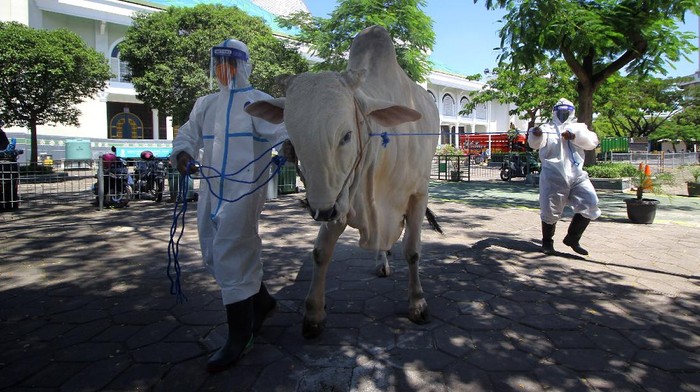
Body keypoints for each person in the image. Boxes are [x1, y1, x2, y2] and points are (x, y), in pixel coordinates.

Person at [171, 39, 289, 373]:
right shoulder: (205, 103)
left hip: (245, 191)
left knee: (231, 250)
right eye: (218, 65)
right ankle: (263, 303)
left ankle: (240, 337)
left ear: (242, 66)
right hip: (209, 188)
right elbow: (189, 134)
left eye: (230, 65)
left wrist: (292, 145)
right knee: (212, 251)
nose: (223, 71)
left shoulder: (257, 101)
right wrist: (182, 153)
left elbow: (281, 130)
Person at [528, 98, 601, 256]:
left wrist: (574, 137)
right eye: (560, 112)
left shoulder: (579, 128)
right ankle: (547, 242)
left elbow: (592, 142)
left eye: (566, 112)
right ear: (554, 112)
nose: (563, 115)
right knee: (550, 210)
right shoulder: (546, 128)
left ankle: (573, 238)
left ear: (571, 112)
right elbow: (534, 143)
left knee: (590, 202)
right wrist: (537, 134)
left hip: (577, 174)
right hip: (553, 175)